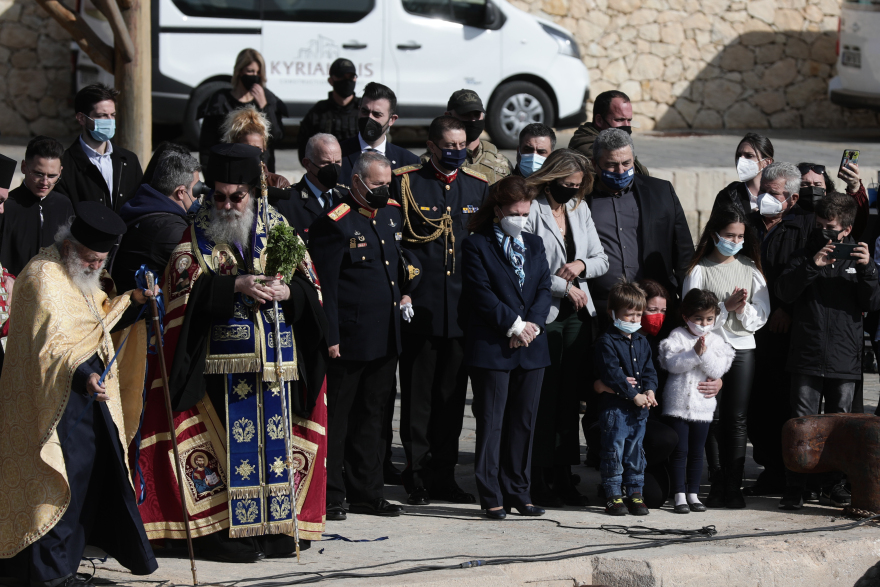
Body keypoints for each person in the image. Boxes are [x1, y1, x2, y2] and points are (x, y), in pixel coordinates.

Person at [134, 144, 329, 562]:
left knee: (273, 450)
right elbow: (181, 289)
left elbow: (309, 287)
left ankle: (276, 527)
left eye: (235, 197)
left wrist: (286, 292)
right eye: (218, 196)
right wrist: (233, 287)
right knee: (230, 454)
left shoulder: (279, 227)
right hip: (217, 369)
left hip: (276, 363)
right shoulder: (196, 235)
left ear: (253, 192)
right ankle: (222, 532)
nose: (225, 205)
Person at [0, 204, 158, 587]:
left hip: (88, 400)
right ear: (70, 246)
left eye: (101, 261)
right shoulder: (43, 275)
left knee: (86, 480)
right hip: (51, 402)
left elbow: (93, 322)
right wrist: (85, 373)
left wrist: (131, 301)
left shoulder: (81, 274)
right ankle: (46, 573)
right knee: (55, 484)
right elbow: (51, 346)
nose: (95, 267)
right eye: (90, 259)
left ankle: (66, 566)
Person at [391, 115, 490, 506]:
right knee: (418, 398)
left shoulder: (477, 186)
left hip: (461, 311)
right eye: (448, 145)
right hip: (422, 307)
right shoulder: (407, 182)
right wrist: (404, 292)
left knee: (451, 400)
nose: (456, 152)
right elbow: (397, 244)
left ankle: (444, 475)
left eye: (461, 144)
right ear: (431, 146)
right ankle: (415, 476)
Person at [308, 151, 409, 519]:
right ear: (357, 183)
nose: (385, 190)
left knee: (373, 416)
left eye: (388, 184)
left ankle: (367, 491)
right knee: (339, 418)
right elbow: (327, 287)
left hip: (384, 336)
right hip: (348, 340)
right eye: (378, 185)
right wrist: (331, 335)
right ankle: (333, 494)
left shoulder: (390, 214)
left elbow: (395, 266)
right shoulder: (334, 222)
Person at [775, 193, 880, 509]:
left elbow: (872, 304)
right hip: (807, 353)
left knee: (841, 426)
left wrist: (867, 271)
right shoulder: (805, 253)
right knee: (801, 423)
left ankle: (835, 485)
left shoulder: (858, 259)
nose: (823, 232)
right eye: (819, 225)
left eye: (830, 227)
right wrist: (812, 265)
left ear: (846, 229)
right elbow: (784, 291)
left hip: (844, 357)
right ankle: (795, 486)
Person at [462, 175, 552, 519]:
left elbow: (543, 287)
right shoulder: (476, 245)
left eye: (526, 213)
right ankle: (491, 493)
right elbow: (480, 293)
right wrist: (513, 325)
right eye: (515, 212)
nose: (521, 219)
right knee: (492, 421)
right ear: (498, 210)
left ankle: (519, 490)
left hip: (530, 346)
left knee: (524, 422)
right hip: (493, 346)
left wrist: (531, 326)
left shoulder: (534, 243)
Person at [522, 149, 608, 507]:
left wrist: (579, 264)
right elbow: (525, 264)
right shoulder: (531, 207)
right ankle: (537, 476)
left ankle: (563, 474)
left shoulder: (579, 208)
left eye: (577, 186)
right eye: (565, 184)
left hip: (578, 315)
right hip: (547, 313)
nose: (571, 191)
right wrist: (563, 286)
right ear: (551, 178)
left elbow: (602, 260)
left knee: (569, 400)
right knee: (544, 398)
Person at [682, 205, 770, 509]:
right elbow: (691, 315)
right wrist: (724, 308)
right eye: (729, 235)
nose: (734, 240)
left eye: (740, 236)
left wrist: (742, 308)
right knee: (713, 416)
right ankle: (716, 481)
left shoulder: (750, 268)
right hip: (711, 349)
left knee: (737, 417)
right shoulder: (700, 270)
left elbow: (760, 316)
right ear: (715, 234)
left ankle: (734, 484)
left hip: (743, 348)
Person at [744, 162, 814, 497]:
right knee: (758, 403)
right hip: (751, 325)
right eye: (763, 192)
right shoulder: (749, 224)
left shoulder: (803, 228)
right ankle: (769, 468)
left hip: (786, 329)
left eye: (774, 194)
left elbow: (804, 274)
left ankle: (793, 474)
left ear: (793, 197)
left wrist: (786, 308)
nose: (765, 200)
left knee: (786, 403)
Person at [584, 128, 693, 328]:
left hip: (654, 308)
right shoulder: (582, 199)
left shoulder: (661, 192)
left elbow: (684, 250)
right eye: (611, 165)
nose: (620, 171)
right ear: (595, 164)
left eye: (626, 163)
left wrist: (688, 301)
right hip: (602, 309)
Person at [659, 289, 734, 514]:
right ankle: (679, 494)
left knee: (697, 451)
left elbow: (718, 369)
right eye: (698, 319)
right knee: (680, 451)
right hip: (677, 406)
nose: (703, 324)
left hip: (703, 408)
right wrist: (693, 354)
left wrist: (704, 353)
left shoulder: (717, 341)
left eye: (709, 319)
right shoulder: (677, 336)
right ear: (686, 317)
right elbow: (671, 364)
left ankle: (694, 493)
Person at [593, 280, 658, 516]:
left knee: (635, 451)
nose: (633, 319)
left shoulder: (642, 341)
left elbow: (650, 370)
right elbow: (612, 374)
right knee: (614, 450)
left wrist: (650, 390)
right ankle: (612, 494)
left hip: (639, 411)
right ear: (613, 314)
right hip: (616, 410)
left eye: (638, 314)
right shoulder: (606, 341)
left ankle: (635, 492)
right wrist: (633, 395)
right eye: (628, 315)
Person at [112, 149, 200, 293]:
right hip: (144, 310)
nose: (198, 197)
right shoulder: (170, 230)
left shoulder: (139, 206)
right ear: (181, 192)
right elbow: (200, 272)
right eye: (196, 190)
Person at [198, 48, 288, 174]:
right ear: (240, 71)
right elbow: (207, 146)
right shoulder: (220, 101)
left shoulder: (268, 99)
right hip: (228, 172)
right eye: (250, 71)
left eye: (258, 72)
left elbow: (277, 135)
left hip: (261, 173)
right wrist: (210, 178)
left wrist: (265, 106)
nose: (254, 76)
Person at [56, 84, 143, 212]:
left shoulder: (129, 160)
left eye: (112, 115)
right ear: (81, 118)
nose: (109, 121)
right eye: (102, 115)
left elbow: (140, 204)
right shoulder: (65, 164)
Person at [0, 136, 75, 276]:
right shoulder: (7, 206)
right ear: (24, 167)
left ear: (60, 172)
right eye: (38, 174)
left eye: (52, 176)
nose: (45, 182)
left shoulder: (64, 205)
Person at [419, 89, 511, 184]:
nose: (473, 120)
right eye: (465, 114)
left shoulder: (500, 161)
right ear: (448, 116)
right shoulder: (429, 162)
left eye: (477, 114)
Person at [339, 82, 419, 189]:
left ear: (392, 120)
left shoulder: (409, 162)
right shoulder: (338, 155)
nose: (369, 118)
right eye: (364, 111)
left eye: (377, 114)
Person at [276, 133, 342, 244]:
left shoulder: (346, 197)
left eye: (337, 162)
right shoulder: (287, 203)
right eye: (326, 163)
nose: (333, 168)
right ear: (307, 164)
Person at [569, 90, 648, 176]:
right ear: (599, 120)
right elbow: (629, 178)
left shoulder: (612, 140)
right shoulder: (588, 147)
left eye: (629, 120)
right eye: (619, 120)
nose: (626, 125)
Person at [297, 58, 360, 164]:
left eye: (351, 77)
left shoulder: (364, 110)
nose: (347, 81)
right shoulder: (319, 112)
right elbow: (304, 148)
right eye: (341, 77)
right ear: (331, 81)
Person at [221, 105, 290, 188]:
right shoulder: (222, 180)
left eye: (257, 148)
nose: (252, 153)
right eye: (246, 148)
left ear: (264, 148)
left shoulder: (278, 183)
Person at [797, 161, 868, 238]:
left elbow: (857, 224)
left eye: (818, 184)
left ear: (826, 187)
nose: (812, 189)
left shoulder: (837, 211)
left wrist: (855, 187)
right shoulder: (787, 214)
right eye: (804, 185)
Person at [712, 133, 774, 216]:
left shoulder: (780, 196)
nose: (741, 160)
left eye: (749, 156)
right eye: (739, 155)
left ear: (766, 162)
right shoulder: (728, 196)